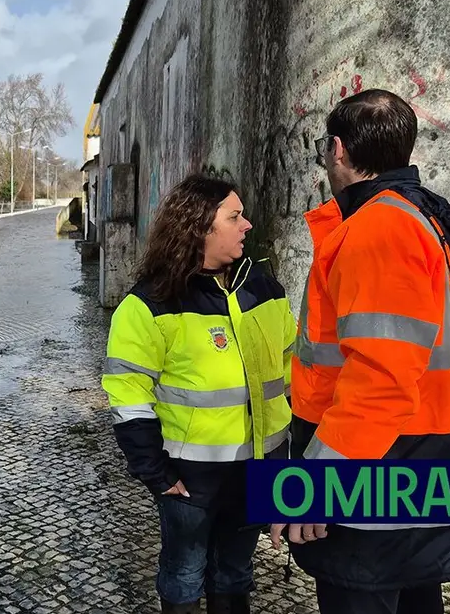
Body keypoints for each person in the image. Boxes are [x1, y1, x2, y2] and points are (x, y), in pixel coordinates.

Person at [271, 88, 450, 614]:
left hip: (374, 477)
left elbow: (380, 377)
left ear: (337, 150)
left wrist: (319, 479)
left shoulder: (380, 228)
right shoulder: (419, 218)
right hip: (416, 465)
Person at [102, 173, 296, 614]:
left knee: (235, 575)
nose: (247, 225)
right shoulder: (151, 303)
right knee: (184, 575)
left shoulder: (266, 290)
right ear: (199, 226)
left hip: (260, 472)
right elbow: (128, 394)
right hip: (190, 481)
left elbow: (291, 376)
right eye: (234, 216)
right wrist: (156, 472)